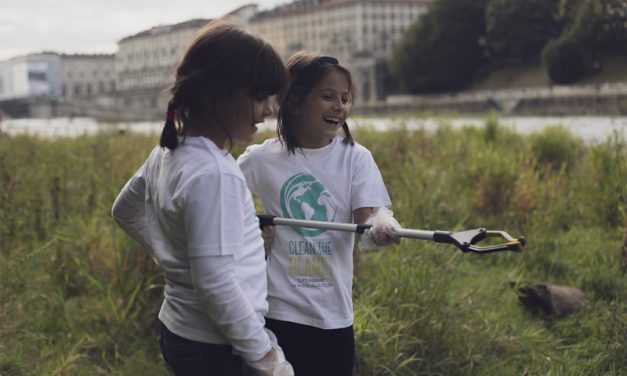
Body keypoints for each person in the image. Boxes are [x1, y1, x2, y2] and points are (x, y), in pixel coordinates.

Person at [111, 19, 294, 376]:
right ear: (219, 94)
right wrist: (269, 360)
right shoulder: (215, 172)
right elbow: (215, 284)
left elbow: (124, 212)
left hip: (179, 332)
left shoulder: (167, 153)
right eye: (260, 97)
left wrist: (175, 259)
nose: (270, 108)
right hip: (216, 346)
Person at [237, 51, 401, 376]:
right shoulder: (260, 159)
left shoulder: (356, 158)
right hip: (281, 309)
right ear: (295, 101)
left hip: (336, 312)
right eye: (327, 96)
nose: (339, 106)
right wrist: (251, 233)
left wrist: (381, 227)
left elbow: (367, 222)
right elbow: (223, 199)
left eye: (344, 98)